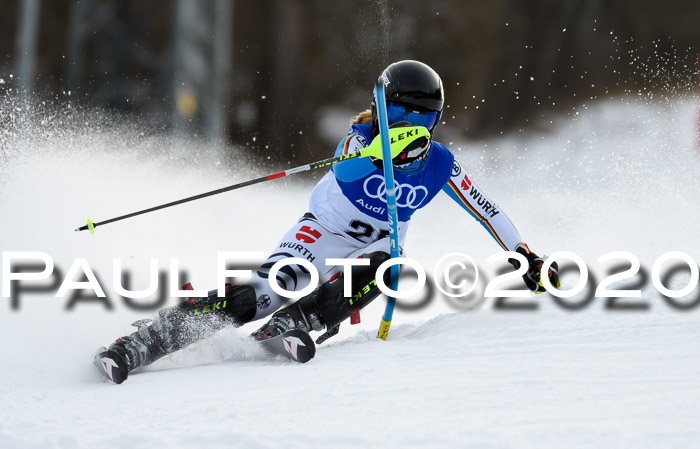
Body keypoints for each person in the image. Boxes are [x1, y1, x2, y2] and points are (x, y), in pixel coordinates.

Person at [95, 60, 560, 384]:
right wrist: (383, 153)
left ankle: (298, 322)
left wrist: (525, 257)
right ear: (381, 108)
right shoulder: (359, 141)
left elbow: (486, 208)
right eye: (395, 112)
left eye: (418, 116)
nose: (404, 123)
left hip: (370, 251)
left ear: (434, 119)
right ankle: (145, 343)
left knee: (387, 266)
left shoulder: (439, 163)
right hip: (319, 235)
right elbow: (347, 169)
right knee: (267, 290)